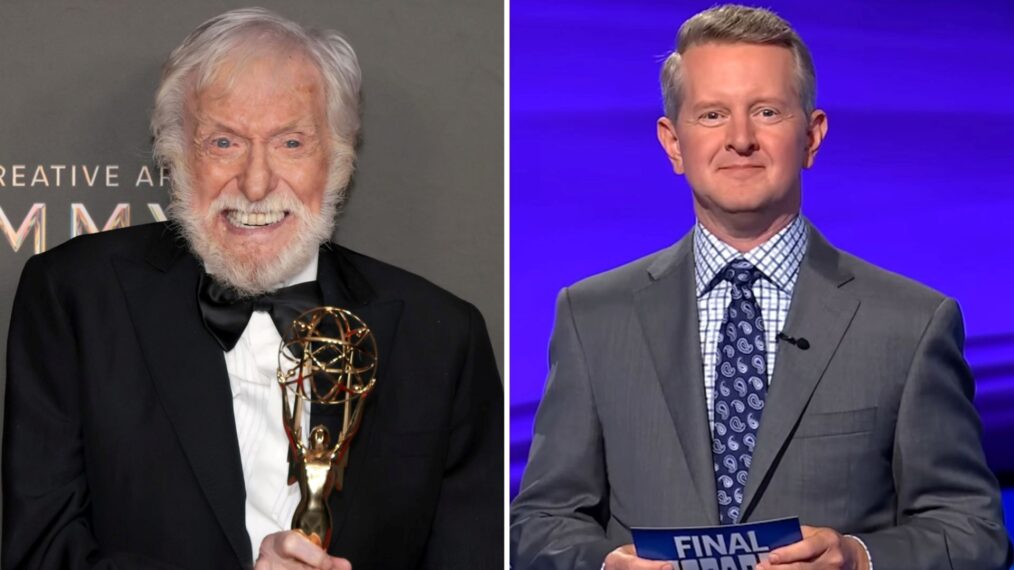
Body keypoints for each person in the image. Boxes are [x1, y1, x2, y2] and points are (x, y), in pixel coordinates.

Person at [510, 5, 1010, 570]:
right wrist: (603, 564)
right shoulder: (592, 317)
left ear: (812, 136)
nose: (741, 139)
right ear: (673, 144)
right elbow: (540, 522)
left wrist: (860, 557)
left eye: (767, 112)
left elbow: (974, 532)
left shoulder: (911, 324)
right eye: (712, 115)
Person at [3, 8, 502, 569]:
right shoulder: (76, 299)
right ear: (175, 154)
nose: (257, 183)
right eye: (224, 142)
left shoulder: (440, 339)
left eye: (291, 143)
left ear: (338, 159)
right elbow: (39, 552)